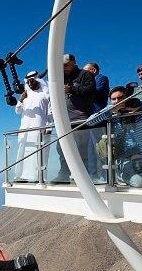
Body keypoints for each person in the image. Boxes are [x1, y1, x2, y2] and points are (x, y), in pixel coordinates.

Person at [87, 86, 142, 187]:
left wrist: (141, 107)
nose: (117, 101)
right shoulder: (111, 113)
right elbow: (89, 122)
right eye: (113, 99)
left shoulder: (140, 109)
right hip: (125, 159)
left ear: (127, 98)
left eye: (120, 98)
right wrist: (110, 111)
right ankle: (120, 175)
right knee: (138, 183)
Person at [52, 54, 98, 183]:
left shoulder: (85, 74)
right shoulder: (62, 77)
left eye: (66, 65)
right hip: (64, 120)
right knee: (62, 149)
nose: (64, 68)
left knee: (81, 148)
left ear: (73, 62)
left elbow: (91, 91)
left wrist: (72, 88)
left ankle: (84, 176)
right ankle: (64, 174)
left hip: (80, 118)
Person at [13, 71, 52, 182]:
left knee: (39, 153)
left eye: (32, 81)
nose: (30, 83)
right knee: (23, 152)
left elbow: (50, 113)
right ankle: (21, 176)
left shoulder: (45, 94)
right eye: (28, 81)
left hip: (40, 129)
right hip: (25, 129)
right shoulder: (25, 95)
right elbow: (17, 111)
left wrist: (49, 128)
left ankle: (38, 177)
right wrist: (20, 99)